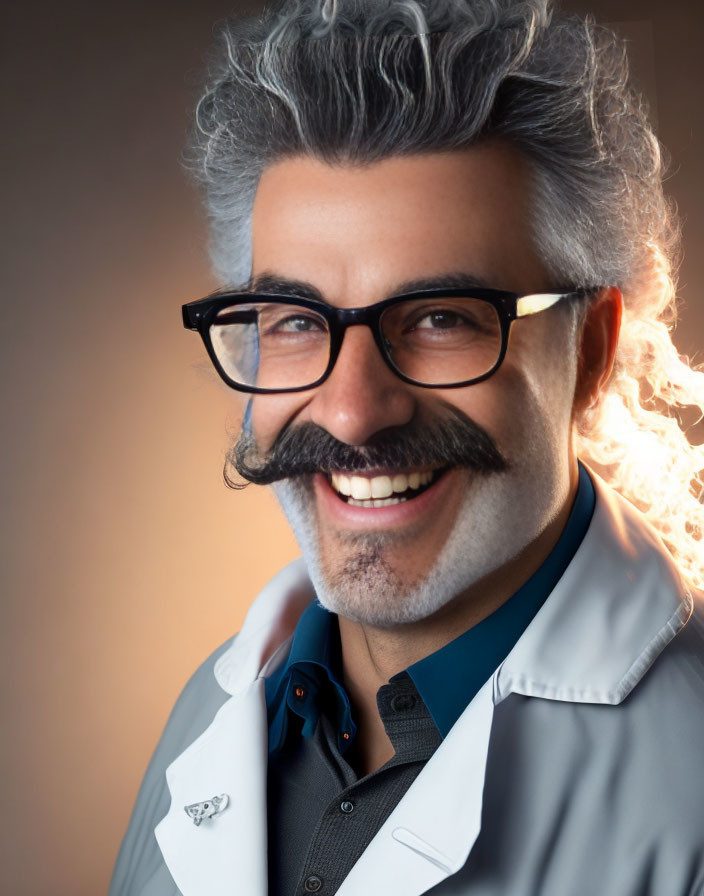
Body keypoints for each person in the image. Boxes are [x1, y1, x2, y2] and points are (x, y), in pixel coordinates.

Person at [110, 1, 704, 894]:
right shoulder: (214, 709)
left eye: (439, 318)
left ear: (588, 352)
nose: (352, 413)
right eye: (299, 320)